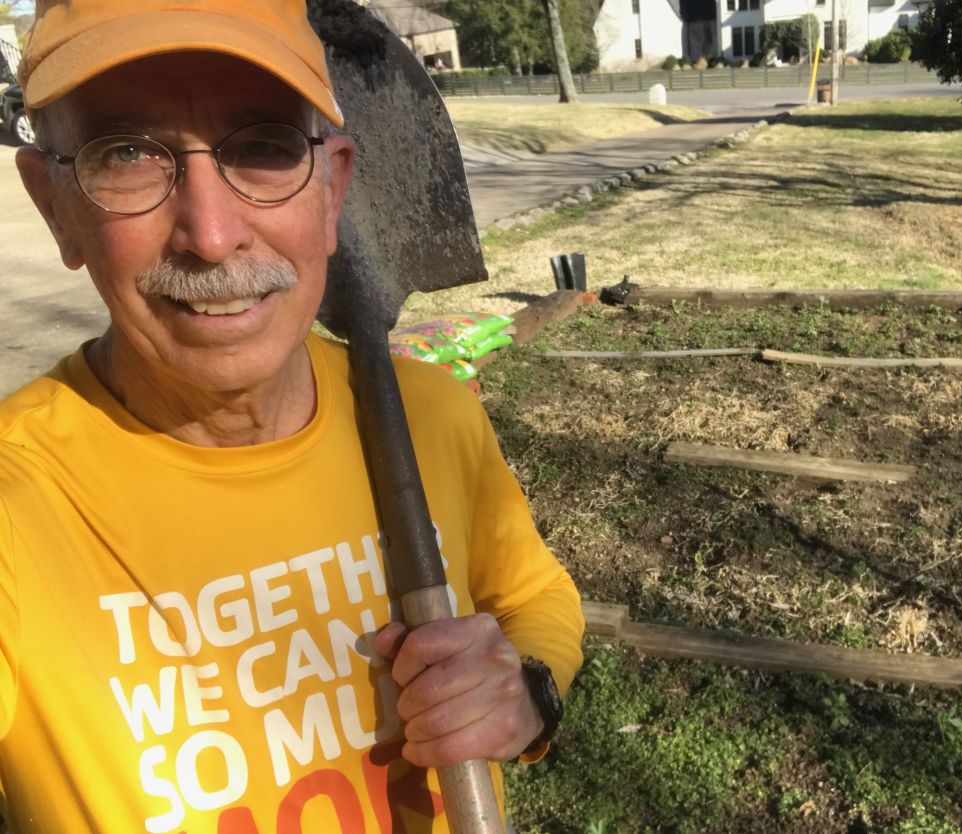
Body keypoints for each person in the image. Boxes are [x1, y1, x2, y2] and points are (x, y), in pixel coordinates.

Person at [0, 1, 584, 832]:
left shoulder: (432, 414)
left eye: (264, 147)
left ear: (337, 186)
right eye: (125, 153)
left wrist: (527, 689)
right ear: (54, 203)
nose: (209, 234)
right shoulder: (17, 507)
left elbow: (533, 593)